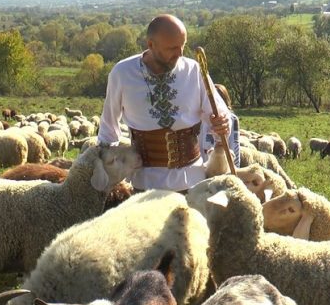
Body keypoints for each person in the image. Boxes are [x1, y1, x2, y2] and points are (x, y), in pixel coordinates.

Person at [97, 14, 231, 192]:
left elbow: (220, 115)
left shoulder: (194, 70)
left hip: (192, 182)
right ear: (151, 45)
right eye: (172, 48)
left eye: (182, 46)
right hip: (144, 185)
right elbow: (108, 130)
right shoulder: (122, 73)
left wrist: (222, 124)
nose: (180, 53)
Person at [201, 83, 240, 168]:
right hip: (203, 168)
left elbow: (235, 145)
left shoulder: (232, 119)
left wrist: (235, 167)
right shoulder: (201, 117)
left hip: (222, 169)